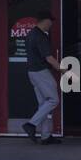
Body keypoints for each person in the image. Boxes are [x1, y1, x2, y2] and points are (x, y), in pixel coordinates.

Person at [22, 13, 63, 145]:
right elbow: (49, 57)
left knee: (43, 104)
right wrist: (63, 70)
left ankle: (45, 136)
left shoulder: (30, 34)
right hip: (41, 72)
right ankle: (31, 124)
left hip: (32, 72)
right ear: (45, 21)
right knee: (53, 100)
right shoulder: (40, 36)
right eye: (50, 23)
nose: (50, 27)